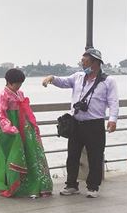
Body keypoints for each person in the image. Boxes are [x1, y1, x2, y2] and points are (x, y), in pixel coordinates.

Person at [42, 48, 119, 198]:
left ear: (96, 62)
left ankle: (93, 186)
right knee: (72, 155)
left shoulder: (108, 81)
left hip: (94, 124)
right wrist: (51, 78)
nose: (83, 64)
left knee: (95, 156)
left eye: (86, 61)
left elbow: (113, 102)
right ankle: (71, 185)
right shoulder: (78, 77)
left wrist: (112, 120)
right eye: (82, 61)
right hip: (76, 123)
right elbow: (63, 82)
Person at [0, 68, 53, 198]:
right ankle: (15, 186)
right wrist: (11, 129)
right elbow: (1, 115)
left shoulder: (20, 93)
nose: (19, 86)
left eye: (21, 83)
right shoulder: (2, 95)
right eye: (17, 83)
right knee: (13, 157)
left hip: (24, 128)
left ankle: (35, 185)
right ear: (9, 82)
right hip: (11, 130)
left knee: (31, 155)